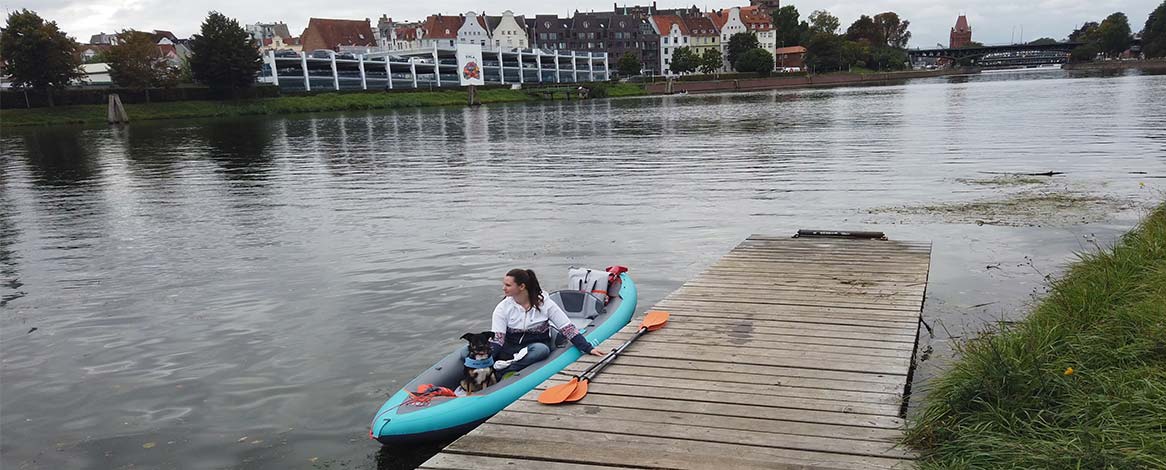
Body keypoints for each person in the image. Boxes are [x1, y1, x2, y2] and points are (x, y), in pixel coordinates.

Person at [488, 268, 607, 377]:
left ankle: (506, 370)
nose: (504, 288)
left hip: (535, 346)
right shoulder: (503, 308)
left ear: (522, 286)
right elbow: (498, 339)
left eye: (508, 285)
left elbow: (567, 328)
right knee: (471, 350)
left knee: (541, 350)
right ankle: (495, 368)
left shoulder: (545, 304)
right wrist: (486, 360)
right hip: (511, 348)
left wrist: (588, 348)